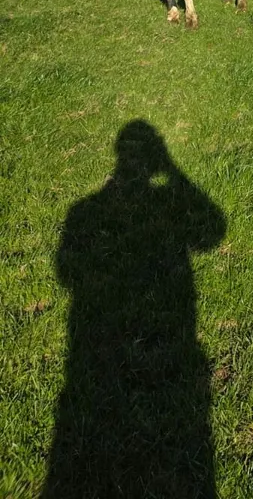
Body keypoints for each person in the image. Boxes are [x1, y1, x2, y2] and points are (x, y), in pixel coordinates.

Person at [42, 121, 226, 498]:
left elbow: (65, 272)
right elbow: (211, 232)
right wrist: (174, 171)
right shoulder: (88, 211)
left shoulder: (84, 211)